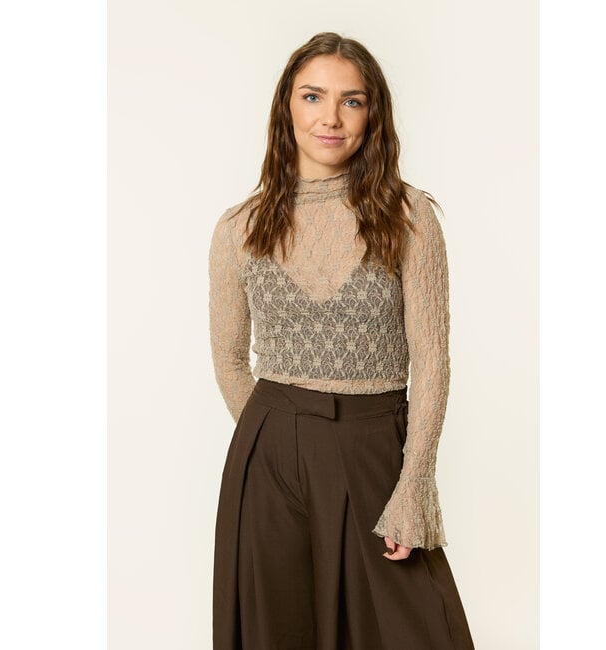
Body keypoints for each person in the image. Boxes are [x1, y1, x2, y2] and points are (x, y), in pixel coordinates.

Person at [208, 31, 475, 650]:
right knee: (277, 631)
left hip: (373, 445)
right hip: (269, 451)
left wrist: (414, 483)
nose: (330, 117)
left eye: (351, 101)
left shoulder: (408, 216)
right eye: (312, 96)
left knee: (412, 629)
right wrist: (279, 441)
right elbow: (229, 360)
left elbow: (432, 361)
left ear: (372, 114)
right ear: (286, 107)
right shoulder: (239, 228)